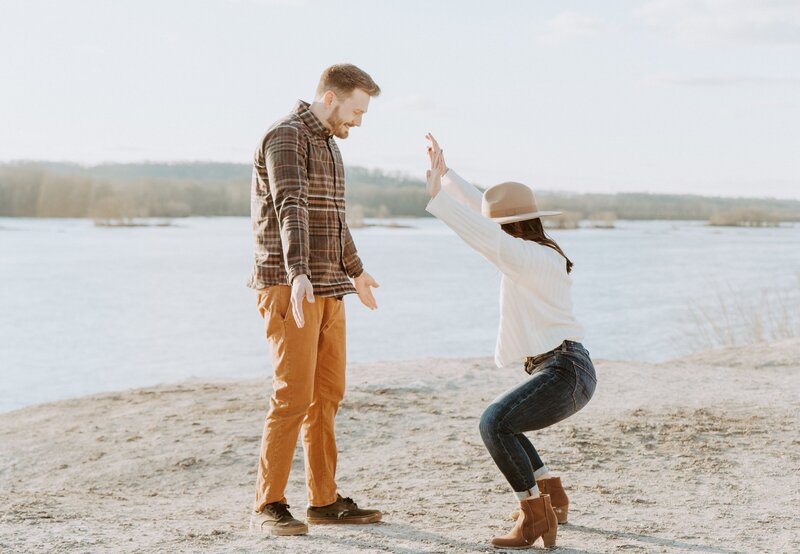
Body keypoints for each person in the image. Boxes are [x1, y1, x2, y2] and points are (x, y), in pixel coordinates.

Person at [424, 134, 597, 549]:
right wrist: (448, 177)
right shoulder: (537, 250)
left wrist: (437, 200)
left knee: (494, 423)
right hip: (566, 368)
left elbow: (483, 234)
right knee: (509, 424)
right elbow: (486, 218)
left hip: (564, 370)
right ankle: (551, 499)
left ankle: (533, 516)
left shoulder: (527, 257)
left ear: (513, 227)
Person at [247, 64, 383, 536]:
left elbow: (335, 217)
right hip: (291, 287)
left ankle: (323, 501)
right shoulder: (285, 136)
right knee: (292, 397)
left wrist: (358, 271)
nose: (359, 122)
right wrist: (298, 271)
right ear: (330, 97)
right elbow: (291, 205)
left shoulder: (327, 143)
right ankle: (269, 503)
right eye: (356, 110)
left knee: (327, 396)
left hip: (329, 286)